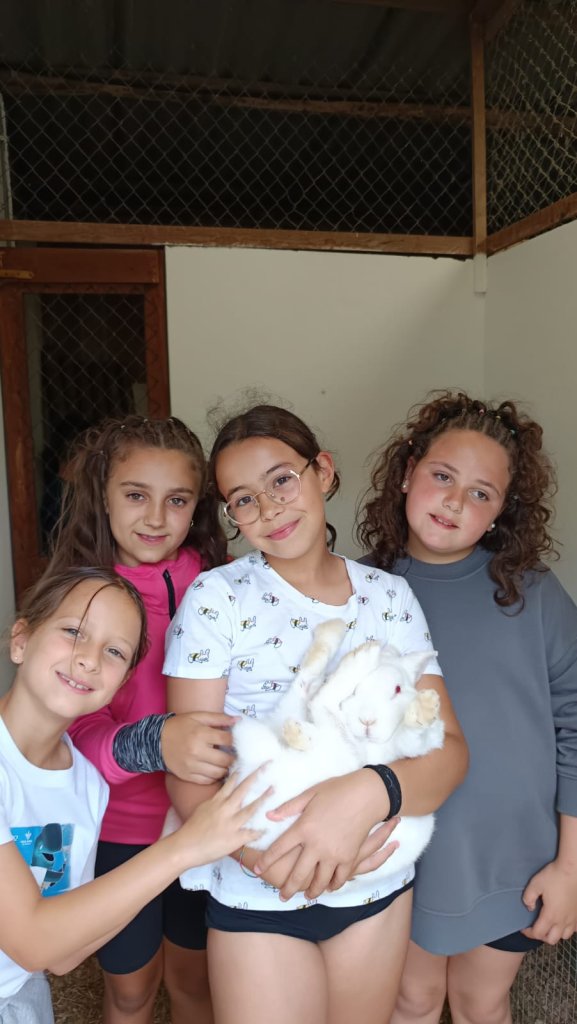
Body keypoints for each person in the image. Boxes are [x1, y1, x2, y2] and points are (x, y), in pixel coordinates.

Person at [163, 403, 468, 1024]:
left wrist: (366, 794)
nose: (269, 508)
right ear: (230, 515)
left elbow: (449, 754)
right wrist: (264, 860)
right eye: (243, 500)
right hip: (260, 891)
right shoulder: (216, 598)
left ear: (322, 472)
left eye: (281, 479)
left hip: (375, 886)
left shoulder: (389, 597)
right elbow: (189, 771)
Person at [356, 390, 577, 1024]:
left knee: (482, 1002)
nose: (455, 501)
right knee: (413, 999)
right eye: (443, 476)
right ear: (408, 472)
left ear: (503, 510)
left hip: (515, 857)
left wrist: (570, 866)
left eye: (481, 492)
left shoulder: (533, 593)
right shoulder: (360, 591)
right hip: (401, 851)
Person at [0, 566, 267, 1024]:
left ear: (121, 684)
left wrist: (175, 847)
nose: (89, 659)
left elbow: (62, 955)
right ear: (20, 640)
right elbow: (34, 941)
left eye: (114, 652)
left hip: (19, 993)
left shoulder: (87, 785)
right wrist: (184, 848)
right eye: (73, 632)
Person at [47, 416, 234, 1024]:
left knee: (195, 983)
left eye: (176, 500)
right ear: (103, 496)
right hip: (117, 831)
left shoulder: (222, 583)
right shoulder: (81, 597)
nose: (155, 518)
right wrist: (154, 743)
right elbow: (66, 733)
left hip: (203, 818)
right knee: (131, 990)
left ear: (196, 507)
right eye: (135, 495)